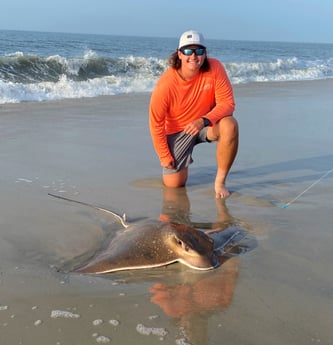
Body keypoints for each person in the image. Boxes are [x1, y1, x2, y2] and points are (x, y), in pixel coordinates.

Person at [149, 30, 238, 198]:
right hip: (177, 132)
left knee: (230, 125)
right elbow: (156, 123)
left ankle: (220, 183)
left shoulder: (215, 67)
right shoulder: (166, 84)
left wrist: (203, 120)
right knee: (175, 186)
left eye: (198, 51)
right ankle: (181, 164)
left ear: (204, 54)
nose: (194, 56)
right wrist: (164, 156)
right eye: (188, 51)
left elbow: (228, 104)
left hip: (206, 125)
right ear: (179, 54)